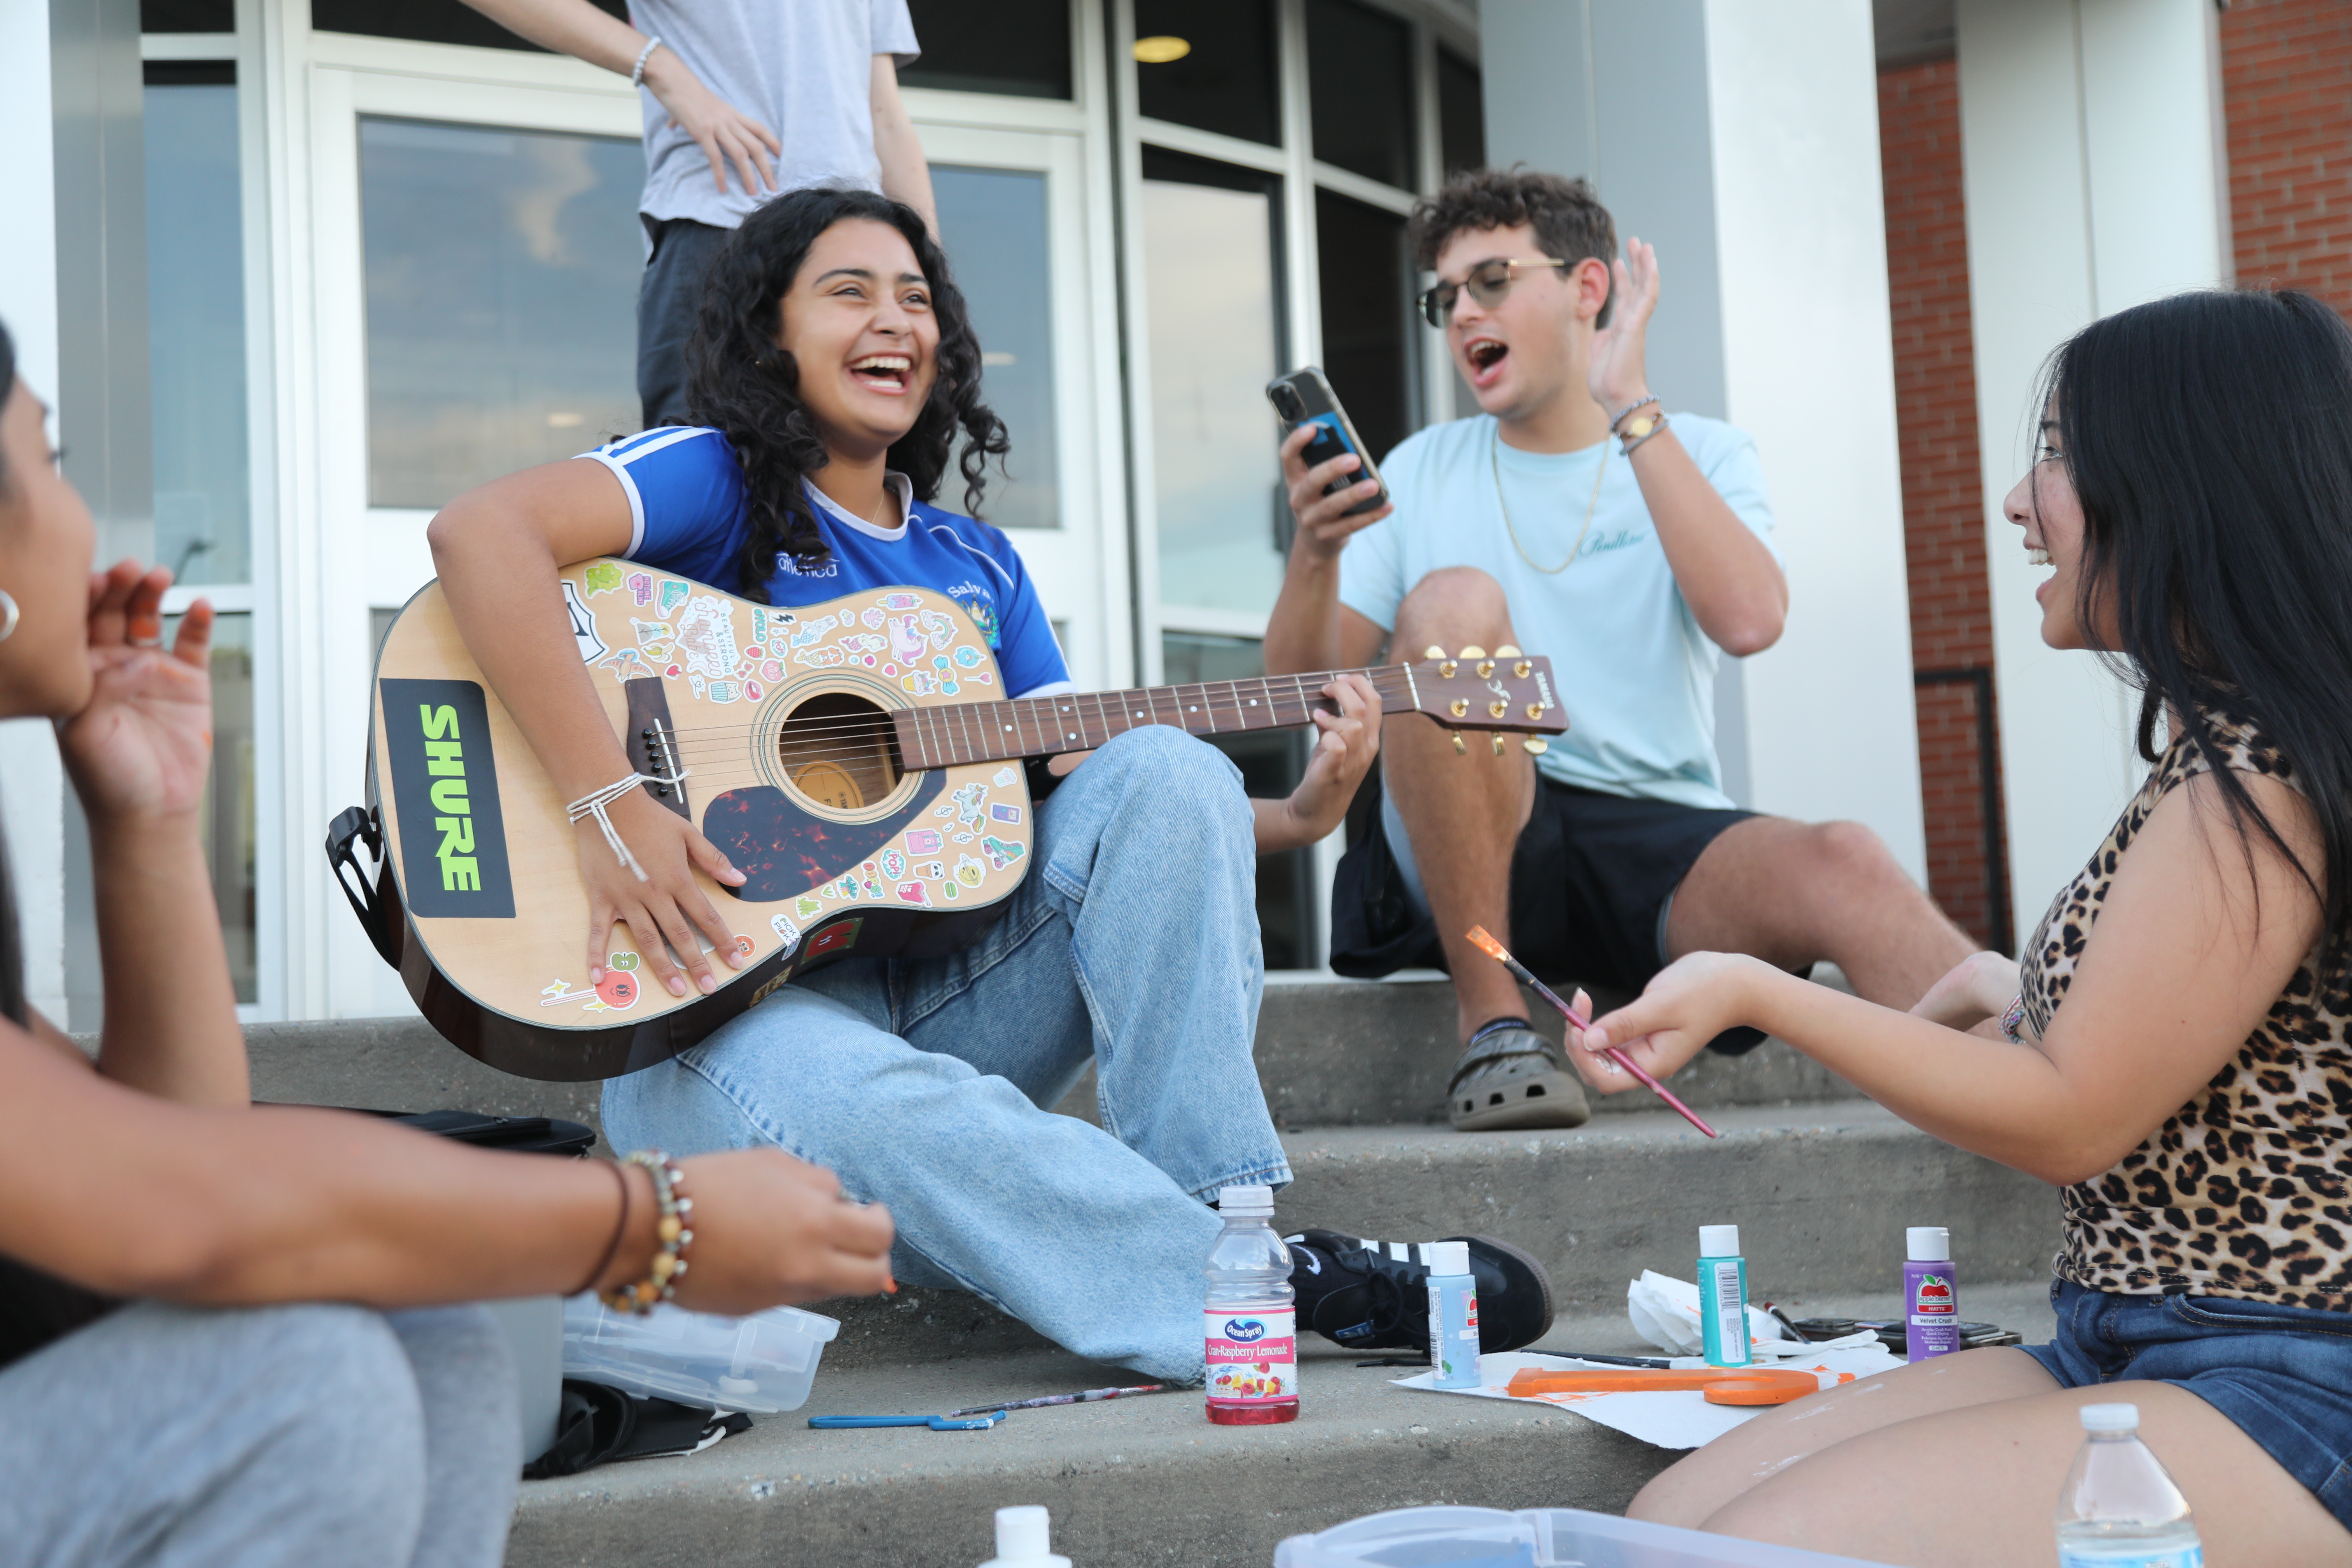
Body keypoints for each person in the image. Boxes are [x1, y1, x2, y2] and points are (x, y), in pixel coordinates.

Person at [425, 184, 1563, 1382]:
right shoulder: (714, 479)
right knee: (876, 1102)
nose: (896, 323)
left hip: (937, 993)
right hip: (694, 1009)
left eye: (917, 300)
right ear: (770, 331)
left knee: (1166, 763)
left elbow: (1092, 815)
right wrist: (613, 806)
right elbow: (480, 535)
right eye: (850, 292)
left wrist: (1302, 815)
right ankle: (1264, 1288)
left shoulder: (973, 567)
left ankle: (1225, 1230)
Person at [0, 316, 898, 1566]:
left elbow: (172, 1159)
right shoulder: (704, 471)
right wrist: (653, 1225)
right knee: (308, 1378)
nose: (81, 519)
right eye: (47, 464)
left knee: (444, 1342)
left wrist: (144, 825)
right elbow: (177, 1211)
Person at [1566, 289, 2352, 1563]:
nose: (2016, 502)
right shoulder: (2233, 758)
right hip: (2133, 1331)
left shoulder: (2257, 785)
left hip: (2289, 1380)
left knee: (1739, 1555)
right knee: (1671, 1522)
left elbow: (2071, 1114)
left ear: (2182, 485)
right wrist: (2008, 986)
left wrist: (1762, 992)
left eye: (2055, 453)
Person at [1264, 167, 1976, 1134]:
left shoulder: (1702, 450)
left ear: (1587, 289)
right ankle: (1495, 1029)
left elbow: (1751, 621)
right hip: (1477, 826)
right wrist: (1316, 551)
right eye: (1445, 296)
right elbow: (1295, 697)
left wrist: (1629, 401)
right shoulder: (1425, 467)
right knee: (1454, 602)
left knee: (1846, 856)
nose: (1461, 311)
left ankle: (2027, 1092)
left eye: (1491, 280)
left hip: (1656, 838)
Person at [458, 0, 937, 430]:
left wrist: (929, 279)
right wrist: (661, 67)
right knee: (702, 480)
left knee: (853, 496)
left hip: (856, 255)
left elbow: (885, 115)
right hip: (722, 228)